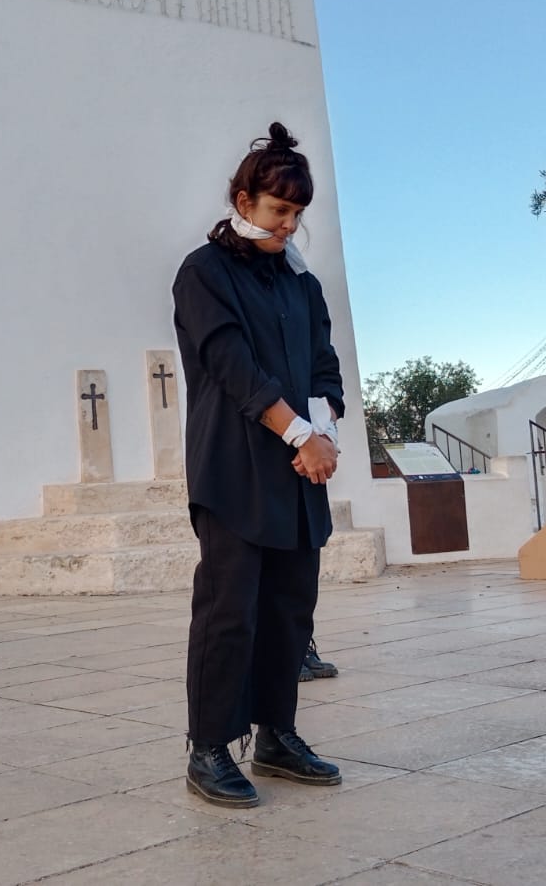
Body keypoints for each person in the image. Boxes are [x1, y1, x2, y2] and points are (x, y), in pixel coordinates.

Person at [172, 122, 345, 808]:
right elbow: (232, 366)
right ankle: (210, 748)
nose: (289, 225)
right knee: (230, 613)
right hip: (234, 469)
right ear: (244, 201)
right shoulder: (204, 273)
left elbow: (324, 365)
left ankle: (277, 735)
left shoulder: (302, 284)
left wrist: (322, 436)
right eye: (279, 210)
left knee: (289, 610)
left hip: (299, 475)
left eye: (298, 213)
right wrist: (300, 434)